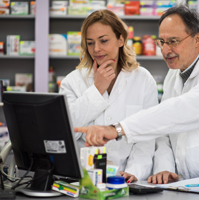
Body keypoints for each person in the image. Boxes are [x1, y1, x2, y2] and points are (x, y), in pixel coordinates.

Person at [74, 5, 199, 184]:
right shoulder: (174, 76)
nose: (165, 49)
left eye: (173, 41)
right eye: (161, 42)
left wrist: (118, 129)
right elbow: (164, 133)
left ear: (197, 39)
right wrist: (164, 168)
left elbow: (179, 112)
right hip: (190, 183)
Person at [59, 9, 158, 183]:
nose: (96, 49)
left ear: (121, 39)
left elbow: (146, 136)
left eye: (103, 41)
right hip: (83, 181)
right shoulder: (72, 82)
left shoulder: (143, 80)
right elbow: (65, 132)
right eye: (90, 43)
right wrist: (97, 89)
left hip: (125, 180)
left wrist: (134, 172)